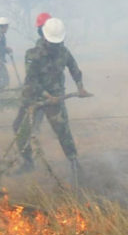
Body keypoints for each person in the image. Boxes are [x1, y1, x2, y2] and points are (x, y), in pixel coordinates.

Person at [15, 18, 91, 173]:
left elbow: (74, 68)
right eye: (52, 42)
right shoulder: (32, 54)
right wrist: (46, 95)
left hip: (56, 99)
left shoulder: (64, 52)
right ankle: (28, 163)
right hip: (33, 99)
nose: (55, 46)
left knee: (63, 131)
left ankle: (75, 165)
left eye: (58, 42)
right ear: (44, 37)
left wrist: (80, 86)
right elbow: (31, 80)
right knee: (20, 129)